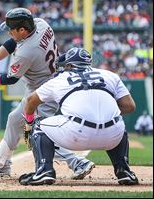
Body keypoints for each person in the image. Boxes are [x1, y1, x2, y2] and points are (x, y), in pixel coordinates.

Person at [0, 8, 95, 179]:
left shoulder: (26, 52)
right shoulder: (41, 24)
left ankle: (77, 162)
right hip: (45, 84)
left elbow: (11, 79)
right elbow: (12, 42)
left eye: (12, 29)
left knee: (39, 133)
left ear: (22, 30)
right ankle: (0, 165)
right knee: (14, 120)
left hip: (44, 92)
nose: (9, 32)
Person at [19, 47, 139, 185]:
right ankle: (124, 171)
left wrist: (29, 123)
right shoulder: (110, 75)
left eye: (65, 65)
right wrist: (102, 115)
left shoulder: (60, 79)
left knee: (38, 124)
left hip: (77, 135)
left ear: (69, 65)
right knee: (117, 122)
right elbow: (130, 106)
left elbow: (30, 101)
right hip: (112, 137)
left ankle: (44, 171)